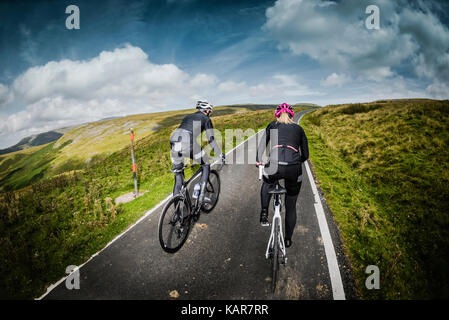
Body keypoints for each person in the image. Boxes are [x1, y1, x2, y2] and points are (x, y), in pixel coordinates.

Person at [256, 103, 309, 248]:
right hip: (294, 168)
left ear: (276, 115)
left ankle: (264, 213)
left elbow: (262, 144)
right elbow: (306, 154)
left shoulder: (272, 126)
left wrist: (258, 159)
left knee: (267, 183)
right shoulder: (299, 129)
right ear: (292, 116)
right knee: (291, 206)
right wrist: (297, 163)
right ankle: (287, 239)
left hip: (274, 164)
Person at [170, 100, 224, 204]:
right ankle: (201, 196)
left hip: (173, 139)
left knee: (178, 176)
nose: (209, 113)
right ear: (207, 111)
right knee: (206, 163)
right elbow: (211, 139)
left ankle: (176, 214)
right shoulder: (206, 118)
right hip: (187, 141)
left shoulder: (188, 116)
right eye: (210, 111)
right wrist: (219, 153)